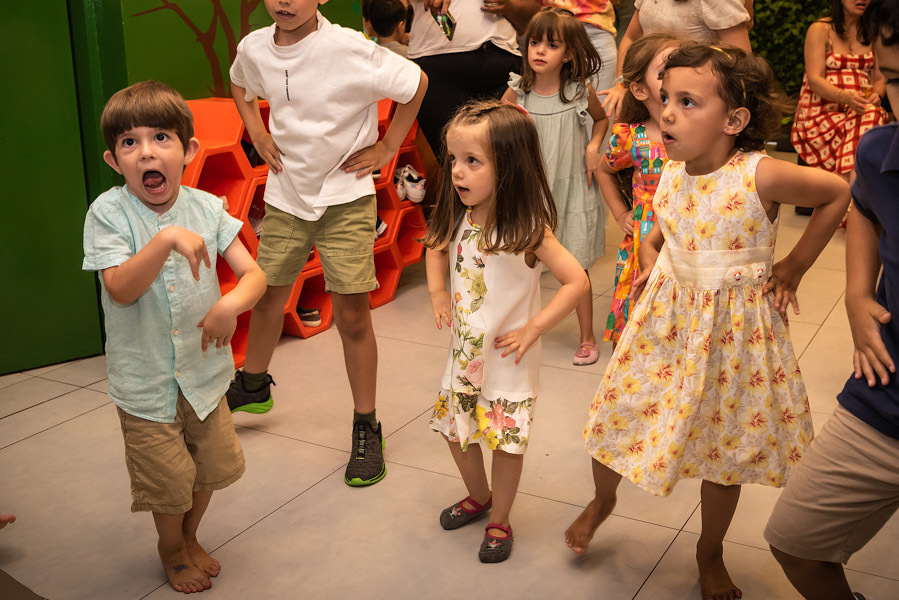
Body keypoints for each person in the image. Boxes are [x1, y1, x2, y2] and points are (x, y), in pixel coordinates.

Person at [564, 44, 850, 600]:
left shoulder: (759, 175)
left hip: (734, 335)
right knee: (616, 415)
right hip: (666, 324)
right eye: (666, 97)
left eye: (687, 101)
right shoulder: (670, 172)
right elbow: (657, 230)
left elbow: (837, 193)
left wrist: (792, 266)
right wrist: (654, 261)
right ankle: (604, 498)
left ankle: (709, 549)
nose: (667, 112)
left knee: (724, 448)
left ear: (734, 121)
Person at [227, 0, 428, 487]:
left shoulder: (347, 48)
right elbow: (239, 80)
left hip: (344, 198)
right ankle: (253, 384)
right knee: (268, 292)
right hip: (285, 196)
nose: (284, 2)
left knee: (352, 315)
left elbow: (415, 83)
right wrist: (254, 127)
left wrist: (386, 145)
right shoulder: (255, 47)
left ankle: (367, 426)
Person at [82, 81, 267, 594]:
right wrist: (164, 239)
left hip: (205, 376)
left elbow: (253, 275)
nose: (146, 151)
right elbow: (119, 288)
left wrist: (230, 304)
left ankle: (189, 535)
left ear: (187, 151)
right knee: (167, 481)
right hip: (146, 384)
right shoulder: (108, 213)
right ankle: (170, 546)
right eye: (129, 142)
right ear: (114, 160)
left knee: (208, 468)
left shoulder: (208, 208)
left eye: (161, 137)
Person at [765, 2, 899, 598]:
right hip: (885, 395)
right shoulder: (879, 153)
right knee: (794, 540)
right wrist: (854, 291)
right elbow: (863, 202)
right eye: (895, 80)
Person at [423, 100, 588, 563]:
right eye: (453, 159)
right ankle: (480, 496)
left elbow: (577, 282)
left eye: (472, 161)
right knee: (454, 431)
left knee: (505, 441)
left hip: (509, 359)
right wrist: (438, 295)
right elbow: (435, 249)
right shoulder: (458, 213)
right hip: (464, 354)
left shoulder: (529, 229)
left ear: (509, 166)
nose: (457, 172)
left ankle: (501, 519)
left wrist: (535, 327)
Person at [501, 7, 609, 365]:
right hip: (531, 192)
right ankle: (521, 327)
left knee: (576, 265)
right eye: (534, 42)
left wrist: (594, 147)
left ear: (570, 54)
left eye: (551, 44)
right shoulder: (519, 91)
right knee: (524, 260)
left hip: (573, 188)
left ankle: (587, 336)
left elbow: (601, 120)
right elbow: (495, 129)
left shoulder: (580, 91)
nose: (540, 51)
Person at [598, 33, 678, 345]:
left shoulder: (701, 133)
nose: (674, 78)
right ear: (640, 89)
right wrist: (620, 213)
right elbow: (603, 170)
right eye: (663, 74)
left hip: (687, 232)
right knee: (640, 305)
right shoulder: (632, 137)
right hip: (645, 232)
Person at [601, 0, 752, 120]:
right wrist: (622, 83)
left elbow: (740, 62)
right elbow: (631, 37)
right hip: (648, 99)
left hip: (694, 105)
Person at [408, 0, 521, 154]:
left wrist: (509, 6)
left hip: (503, 61)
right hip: (437, 62)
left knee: (510, 160)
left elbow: (531, 13)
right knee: (455, 162)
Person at [791, 0, 887, 180]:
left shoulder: (875, 32)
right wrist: (847, 97)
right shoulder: (820, 29)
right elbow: (814, 80)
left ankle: (846, 192)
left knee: (870, 115)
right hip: (821, 114)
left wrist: (876, 95)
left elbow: (881, 78)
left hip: (860, 111)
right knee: (869, 121)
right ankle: (854, 194)